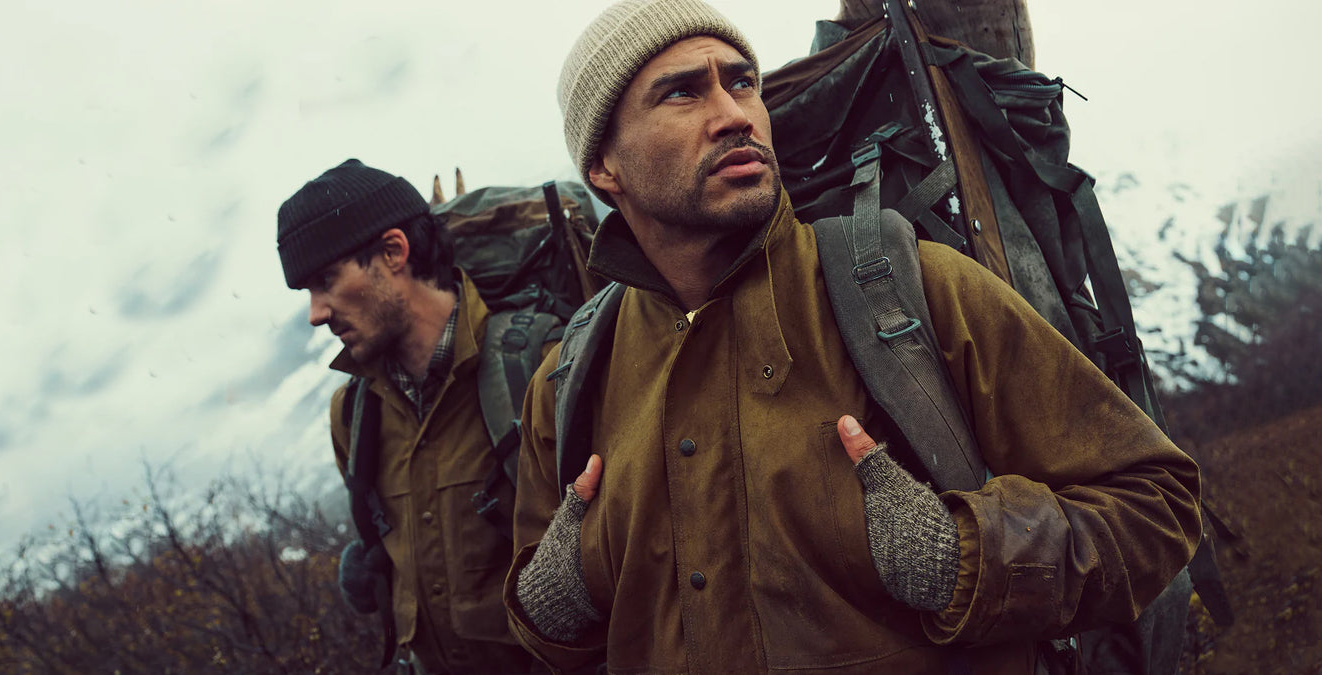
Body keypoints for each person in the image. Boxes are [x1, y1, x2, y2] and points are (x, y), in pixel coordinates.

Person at [502, 1, 1204, 673]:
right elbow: (550, 639)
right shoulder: (569, 377)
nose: (734, 116)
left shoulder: (910, 286)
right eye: (682, 95)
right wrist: (549, 607)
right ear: (604, 167)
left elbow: (1157, 502)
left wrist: (965, 559)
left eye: (742, 82)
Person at [277, 159, 538, 674]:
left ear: (394, 251)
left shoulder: (539, 369)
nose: (315, 312)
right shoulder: (353, 415)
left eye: (326, 279)